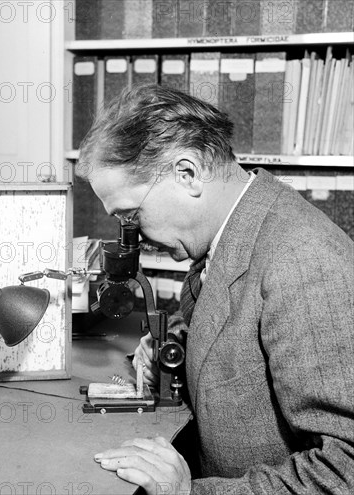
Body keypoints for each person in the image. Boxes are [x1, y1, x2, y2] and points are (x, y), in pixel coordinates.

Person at [77, 84, 354, 494]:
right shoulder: (233, 231)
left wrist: (190, 493)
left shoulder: (303, 261)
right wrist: (171, 352)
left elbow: (344, 469)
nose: (134, 235)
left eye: (133, 214)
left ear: (187, 174)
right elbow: (235, 332)